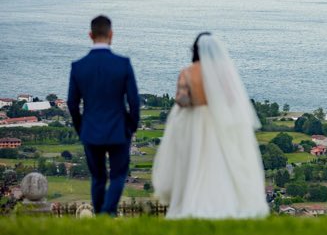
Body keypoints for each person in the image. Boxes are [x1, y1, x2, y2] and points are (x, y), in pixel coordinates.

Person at [153, 32, 269, 219]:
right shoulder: (223, 73)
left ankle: (191, 201)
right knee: (219, 160)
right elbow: (232, 99)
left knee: (192, 160)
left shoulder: (188, 72)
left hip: (194, 120)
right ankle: (221, 201)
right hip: (218, 120)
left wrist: (193, 100)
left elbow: (181, 99)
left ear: (195, 50)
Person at [67, 15, 140, 216]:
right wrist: (131, 127)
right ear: (111, 34)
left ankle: (101, 216)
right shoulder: (123, 64)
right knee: (118, 175)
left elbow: (72, 104)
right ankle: (108, 212)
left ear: (90, 35)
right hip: (118, 130)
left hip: (90, 130)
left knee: (98, 177)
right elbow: (134, 102)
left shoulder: (78, 66)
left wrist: (81, 128)